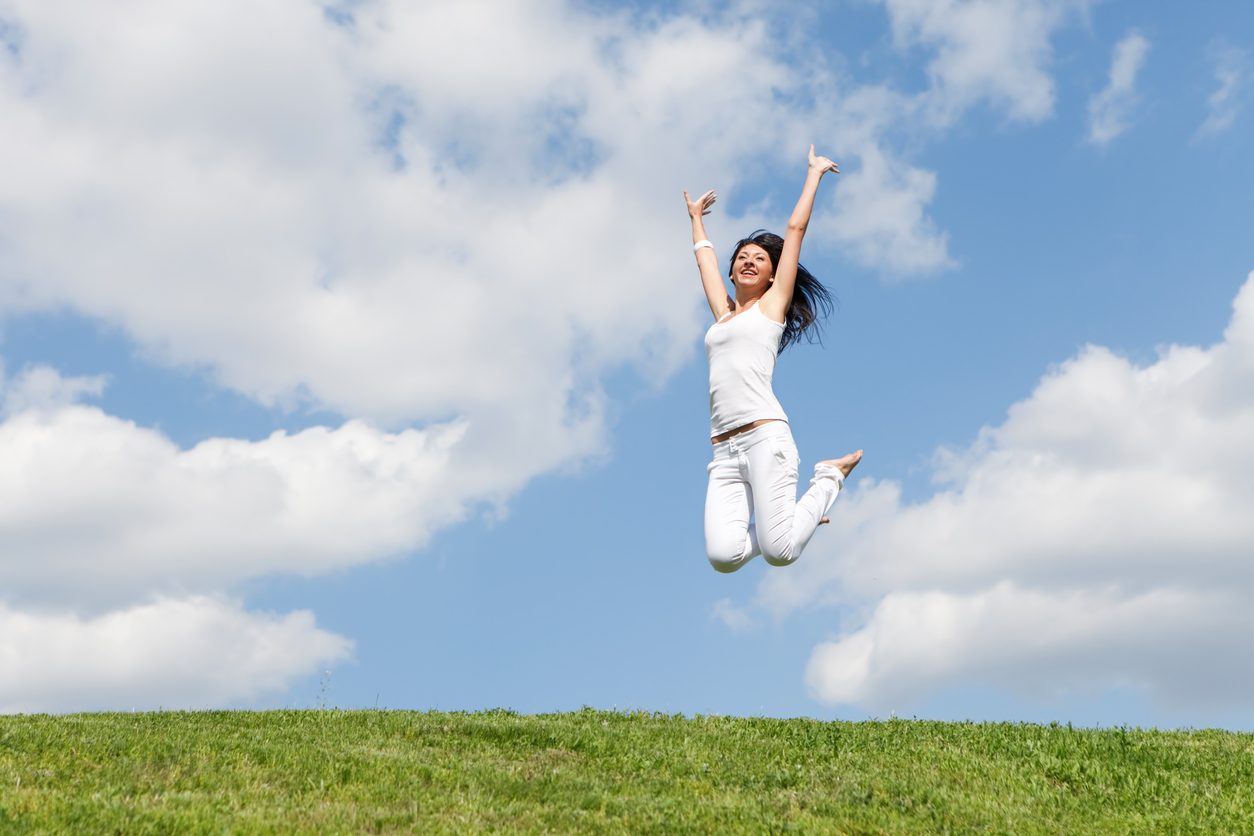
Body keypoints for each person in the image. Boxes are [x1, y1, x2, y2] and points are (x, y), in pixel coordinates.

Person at [685, 145, 862, 574]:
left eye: (759, 259)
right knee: (723, 558)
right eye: (741, 258)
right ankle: (785, 525)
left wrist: (814, 174)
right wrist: (696, 221)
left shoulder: (772, 309)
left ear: (770, 275)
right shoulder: (724, 316)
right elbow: (705, 264)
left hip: (766, 438)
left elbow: (795, 228)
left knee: (780, 553)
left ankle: (829, 476)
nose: (749, 262)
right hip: (724, 449)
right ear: (733, 272)